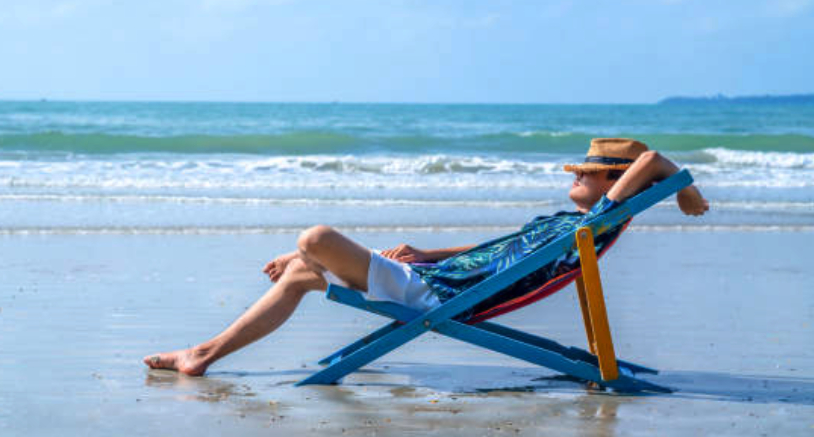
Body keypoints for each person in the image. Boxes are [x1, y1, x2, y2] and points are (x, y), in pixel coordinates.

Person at [144, 138, 708, 376]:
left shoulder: (592, 222)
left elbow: (654, 159)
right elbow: (499, 254)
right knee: (299, 270)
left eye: (587, 172)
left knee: (313, 239)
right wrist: (427, 252)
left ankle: (205, 350)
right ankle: (202, 354)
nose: (577, 175)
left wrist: (683, 187)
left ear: (614, 182)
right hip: (430, 277)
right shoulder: (568, 224)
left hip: (435, 297)